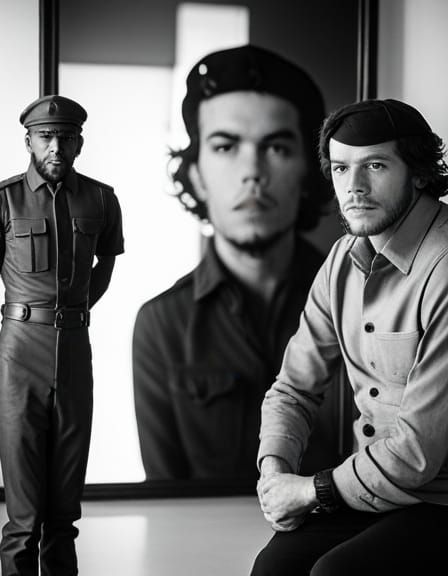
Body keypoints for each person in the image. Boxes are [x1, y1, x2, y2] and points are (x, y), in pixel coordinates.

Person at [251, 98, 448, 576]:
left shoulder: (443, 268)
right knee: (274, 567)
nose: (354, 187)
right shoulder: (342, 258)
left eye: (375, 166)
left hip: (440, 497)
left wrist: (310, 491)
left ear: (419, 173)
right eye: (341, 168)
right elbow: (294, 388)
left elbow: (417, 452)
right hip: (371, 490)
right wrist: (274, 472)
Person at [133, 44, 347, 482]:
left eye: (277, 147)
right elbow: (166, 500)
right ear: (197, 174)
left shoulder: (364, 303)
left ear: (309, 172)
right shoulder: (161, 326)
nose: (252, 172)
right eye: (226, 146)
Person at [0, 95, 124, 576]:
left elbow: (105, 264)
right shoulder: (6, 199)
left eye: (65, 137)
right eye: (46, 137)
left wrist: (74, 311)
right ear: (29, 141)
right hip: (18, 352)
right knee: (23, 515)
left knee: (64, 508)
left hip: (74, 349)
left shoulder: (101, 199)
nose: (56, 146)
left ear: (79, 143)